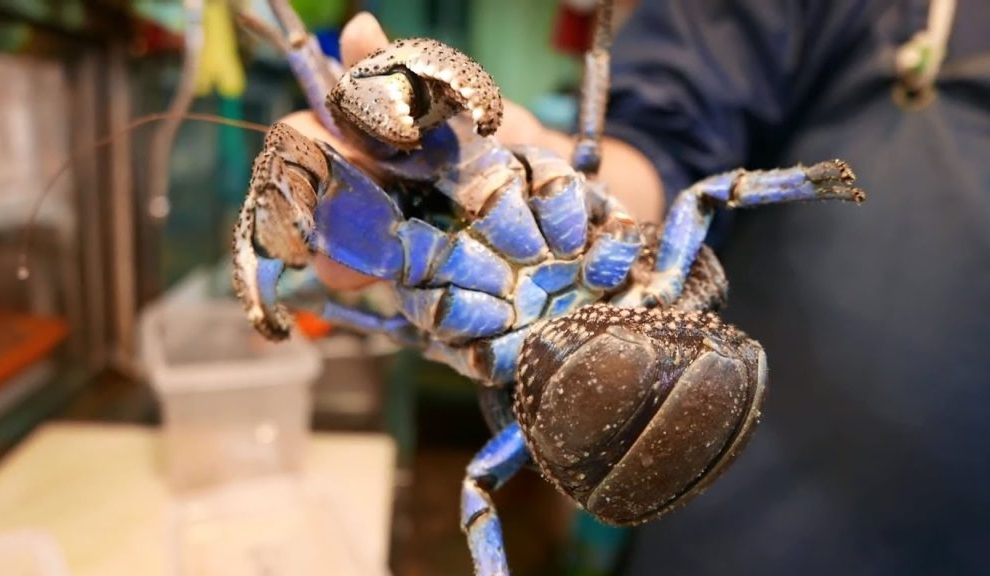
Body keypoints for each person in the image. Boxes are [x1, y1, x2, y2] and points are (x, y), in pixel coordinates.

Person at [291, 2, 990, 574]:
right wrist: (539, 156)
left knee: (478, 481)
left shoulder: (444, 280)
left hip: (746, 441)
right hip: (729, 501)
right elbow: (669, 149)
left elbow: (696, 192)